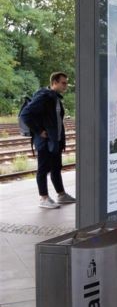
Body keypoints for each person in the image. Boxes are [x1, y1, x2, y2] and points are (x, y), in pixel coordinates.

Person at [19, 72, 76, 209]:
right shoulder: (44, 96)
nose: (65, 85)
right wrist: (39, 131)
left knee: (56, 167)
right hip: (44, 141)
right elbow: (25, 114)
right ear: (54, 83)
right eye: (63, 83)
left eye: (66, 83)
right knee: (43, 169)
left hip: (54, 141)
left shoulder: (54, 98)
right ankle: (43, 198)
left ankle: (61, 195)